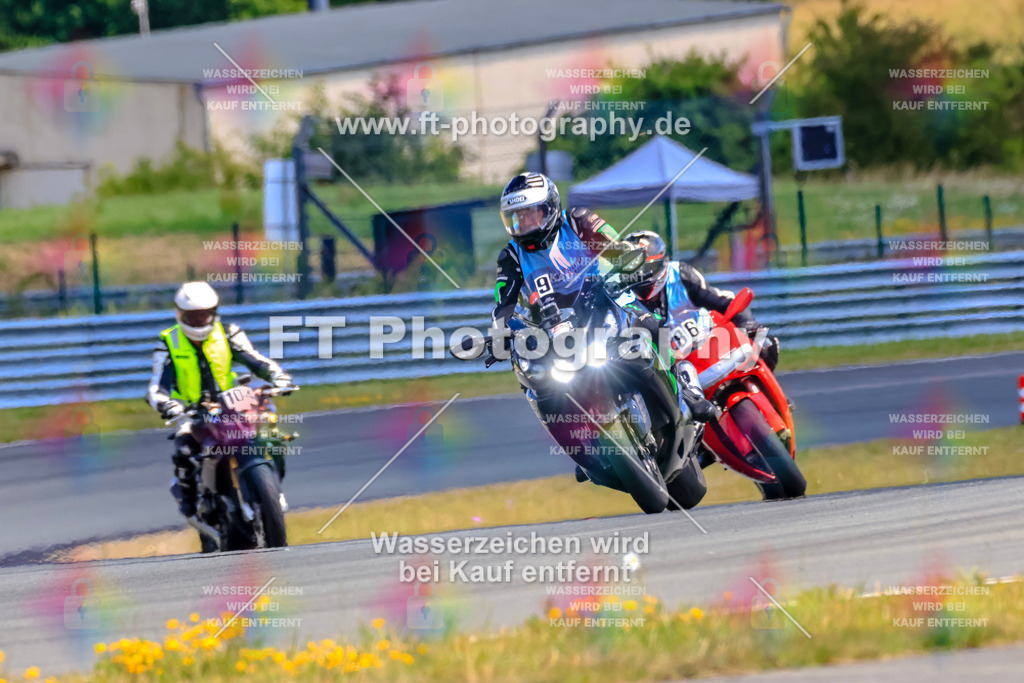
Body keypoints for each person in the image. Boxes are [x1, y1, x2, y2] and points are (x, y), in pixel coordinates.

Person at [489, 172, 716, 421]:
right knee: (542, 380)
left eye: (530, 213)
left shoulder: (576, 221)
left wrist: (628, 260)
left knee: (650, 324)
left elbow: (613, 245)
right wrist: (500, 330)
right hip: (556, 325)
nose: (524, 223)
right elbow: (505, 301)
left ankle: (685, 393)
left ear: (549, 208)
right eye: (517, 217)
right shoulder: (511, 255)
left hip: (604, 297)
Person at [145, 282, 293, 518]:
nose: (200, 321)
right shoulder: (168, 342)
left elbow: (256, 361)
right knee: (184, 450)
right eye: (193, 316)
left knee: (270, 434)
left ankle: (274, 488)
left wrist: (279, 377)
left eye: (205, 315)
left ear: (214, 313)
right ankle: (191, 502)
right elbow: (156, 386)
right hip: (191, 411)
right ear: (180, 314)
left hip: (232, 403)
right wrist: (168, 404)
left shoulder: (228, 333)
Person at [620, 230, 779, 372]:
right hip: (675, 370)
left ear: (663, 262)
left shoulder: (681, 276)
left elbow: (724, 301)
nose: (641, 277)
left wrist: (748, 324)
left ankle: (775, 397)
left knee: (767, 343)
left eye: (646, 270)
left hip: (713, 344)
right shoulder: (623, 299)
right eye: (634, 272)